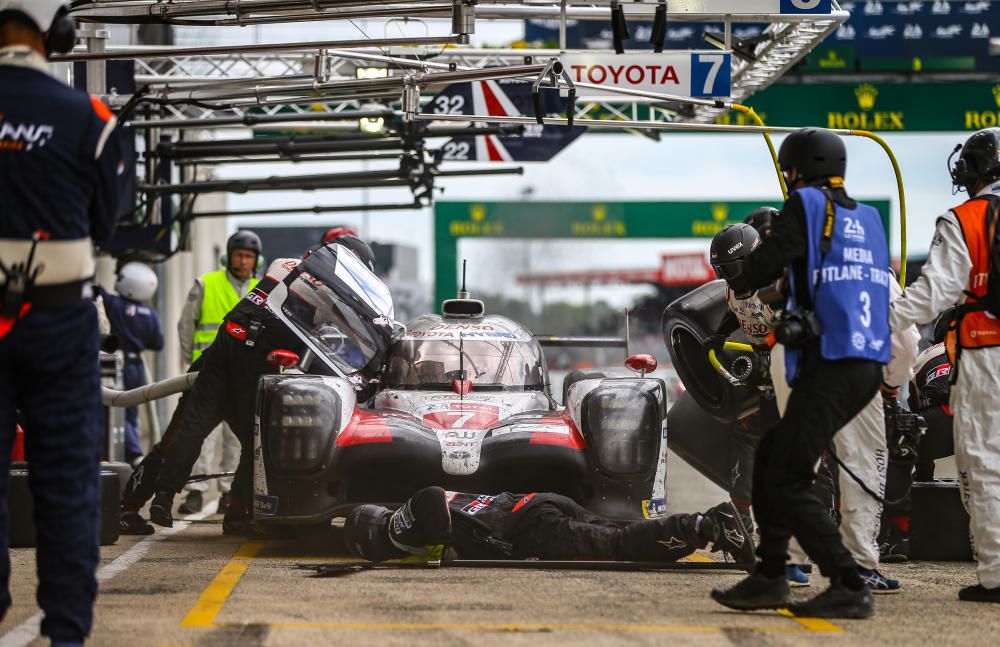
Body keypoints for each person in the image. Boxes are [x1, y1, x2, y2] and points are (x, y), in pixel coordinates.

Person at [710, 128, 892, 619]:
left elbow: (762, 264)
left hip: (831, 364)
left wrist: (749, 274)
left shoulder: (806, 207)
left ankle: (847, 583)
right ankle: (770, 575)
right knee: (773, 456)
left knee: (788, 477)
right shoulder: (869, 219)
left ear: (795, 171)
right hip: (866, 364)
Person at [119, 237, 387, 536]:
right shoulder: (323, 290)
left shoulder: (285, 263)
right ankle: (214, 509)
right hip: (249, 364)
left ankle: (173, 504)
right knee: (249, 441)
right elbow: (328, 338)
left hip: (226, 351)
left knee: (203, 435)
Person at [0, 1, 123, 644]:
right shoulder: (91, 118)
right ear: (59, 39)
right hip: (56, 317)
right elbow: (107, 226)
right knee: (67, 482)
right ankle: (67, 631)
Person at [888, 127, 1000, 603]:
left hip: (986, 354)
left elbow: (933, 294)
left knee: (984, 463)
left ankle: (996, 577)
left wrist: (880, 320)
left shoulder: (964, 219)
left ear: (969, 172)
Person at [705, 214, 838, 588]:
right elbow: (737, 316)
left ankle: (823, 524)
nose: (729, 277)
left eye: (732, 268)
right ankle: (759, 528)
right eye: (723, 270)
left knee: (809, 455)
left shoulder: (781, 284)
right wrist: (718, 336)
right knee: (761, 451)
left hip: (797, 367)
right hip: (768, 373)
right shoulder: (734, 292)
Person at [343, 486, 753, 565]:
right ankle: (713, 526)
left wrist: (427, 548)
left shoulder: (407, 524)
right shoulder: (410, 517)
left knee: (624, 547)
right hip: (536, 504)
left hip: (533, 528)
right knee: (618, 536)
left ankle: (707, 525)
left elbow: (432, 507)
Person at [176, 230, 262, 515]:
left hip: (244, 377)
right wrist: (190, 362)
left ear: (256, 260)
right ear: (229, 256)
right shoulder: (206, 284)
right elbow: (186, 326)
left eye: (249, 256)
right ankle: (195, 492)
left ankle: (228, 492)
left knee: (235, 439)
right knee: (202, 435)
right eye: (239, 254)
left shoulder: (263, 290)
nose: (243, 261)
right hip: (209, 374)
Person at [880, 310, 956, 562]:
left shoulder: (926, 354)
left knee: (902, 441)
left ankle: (897, 537)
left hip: (943, 418)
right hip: (984, 419)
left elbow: (916, 410)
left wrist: (924, 474)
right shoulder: (987, 346)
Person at [99, 263, 164, 463]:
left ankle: (133, 454)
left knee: (117, 408)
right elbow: (158, 343)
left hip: (115, 365)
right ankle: (132, 453)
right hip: (137, 366)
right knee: (132, 411)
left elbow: (95, 291)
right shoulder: (150, 314)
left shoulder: (114, 304)